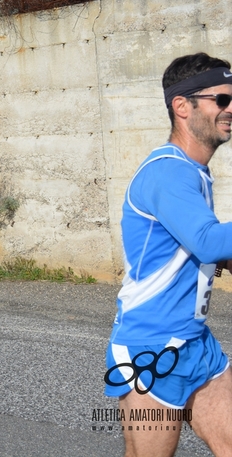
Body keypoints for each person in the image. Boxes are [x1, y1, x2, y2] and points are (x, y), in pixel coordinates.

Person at [104, 53, 232, 456]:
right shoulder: (168, 172)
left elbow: (194, 249)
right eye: (222, 100)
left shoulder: (193, 172)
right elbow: (208, 241)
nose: (231, 109)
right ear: (182, 106)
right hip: (151, 349)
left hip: (195, 343)